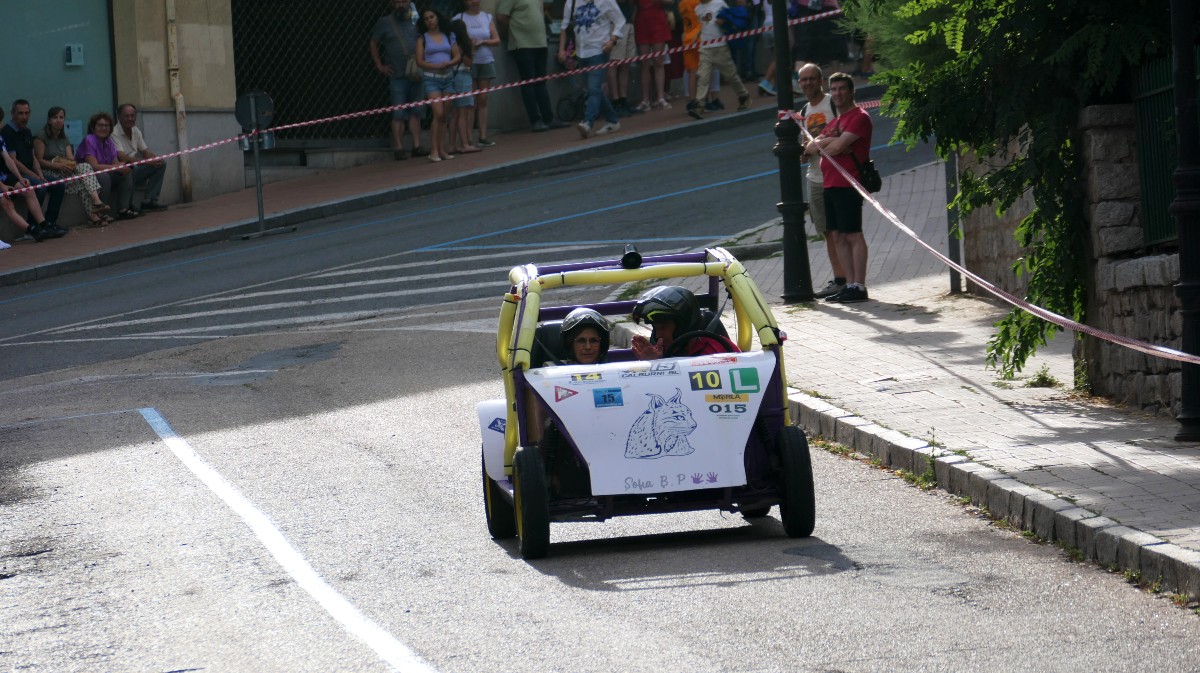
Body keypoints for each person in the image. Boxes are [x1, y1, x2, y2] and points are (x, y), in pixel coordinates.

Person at [803, 72, 873, 303]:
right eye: (833, 90)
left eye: (842, 89)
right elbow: (811, 147)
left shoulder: (859, 117)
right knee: (837, 235)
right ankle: (848, 284)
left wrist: (827, 143)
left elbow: (833, 148)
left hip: (848, 182)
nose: (837, 93)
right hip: (830, 183)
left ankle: (859, 285)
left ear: (852, 91)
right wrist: (829, 142)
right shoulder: (836, 122)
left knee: (853, 234)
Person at [795, 63, 846, 298]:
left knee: (842, 230)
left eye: (811, 79)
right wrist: (804, 152)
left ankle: (847, 279)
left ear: (820, 80)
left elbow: (844, 133)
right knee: (827, 230)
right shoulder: (804, 110)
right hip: (814, 177)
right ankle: (839, 278)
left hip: (836, 175)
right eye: (803, 80)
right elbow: (804, 146)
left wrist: (819, 144)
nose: (807, 83)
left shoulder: (832, 104)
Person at [34, 106, 113, 227]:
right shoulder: (41, 136)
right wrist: (58, 166)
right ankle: (94, 211)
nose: (59, 120)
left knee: (84, 168)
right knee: (83, 182)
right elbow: (39, 160)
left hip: (65, 171)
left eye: (61, 117)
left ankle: (95, 205)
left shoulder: (63, 137)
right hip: (48, 172)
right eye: (55, 117)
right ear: (49, 120)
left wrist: (70, 164)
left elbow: (71, 158)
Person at [371, 0, 430, 160]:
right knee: (398, 113)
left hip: (417, 73)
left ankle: (416, 146)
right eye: (397, 2)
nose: (400, 5)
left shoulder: (416, 19)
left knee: (416, 112)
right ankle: (398, 148)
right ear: (391, 4)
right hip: (397, 75)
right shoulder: (385, 22)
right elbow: (373, 42)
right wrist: (380, 66)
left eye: (403, 1)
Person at [497, 0, 567, 132]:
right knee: (528, 82)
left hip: (540, 42)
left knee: (541, 82)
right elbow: (501, 17)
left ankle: (548, 118)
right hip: (522, 44)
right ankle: (535, 120)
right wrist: (511, 34)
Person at [558, 0, 625, 139]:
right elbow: (564, 27)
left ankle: (588, 122)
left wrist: (612, 41)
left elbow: (620, 20)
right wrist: (561, 50)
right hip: (581, 52)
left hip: (599, 50)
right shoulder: (571, 2)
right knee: (594, 90)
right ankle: (612, 120)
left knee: (594, 88)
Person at [1, 100, 66, 230]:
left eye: (27, 113)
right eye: (20, 113)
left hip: (31, 172)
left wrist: (40, 174)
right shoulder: (7, 132)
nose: (24, 117)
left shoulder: (27, 131)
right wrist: (34, 175)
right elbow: (13, 160)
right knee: (40, 188)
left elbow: (33, 157)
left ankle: (50, 223)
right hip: (17, 173)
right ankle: (33, 225)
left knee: (59, 184)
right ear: (13, 114)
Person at [630, 286, 738, 359]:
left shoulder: (717, 349)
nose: (657, 335)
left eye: (663, 327)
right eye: (656, 328)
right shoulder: (657, 355)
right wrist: (653, 365)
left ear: (682, 325)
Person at [685, 0, 749, 119]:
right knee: (703, 76)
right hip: (705, 48)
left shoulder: (719, 4)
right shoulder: (697, 9)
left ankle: (743, 95)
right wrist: (697, 37)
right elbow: (703, 25)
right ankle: (699, 105)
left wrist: (724, 21)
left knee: (731, 75)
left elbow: (730, 16)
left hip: (720, 47)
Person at [416, 8, 462, 162]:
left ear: (437, 17)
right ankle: (433, 150)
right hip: (431, 79)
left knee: (445, 116)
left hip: (448, 77)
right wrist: (435, 66)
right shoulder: (422, 38)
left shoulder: (449, 35)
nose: (430, 20)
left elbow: (457, 55)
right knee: (439, 113)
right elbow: (419, 61)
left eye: (432, 17)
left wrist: (449, 62)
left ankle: (442, 149)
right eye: (426, 19)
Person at [454, 0, 501, 146]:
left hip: (485, 60)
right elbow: (453, 41)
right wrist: (468, 45)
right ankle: (468, 138)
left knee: (483, 99)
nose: (474, 2)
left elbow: (497, 40)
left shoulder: (487, 17)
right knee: (470, 101)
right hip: (469, 62)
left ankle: (482, 136)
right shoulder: (458, 18)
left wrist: (483, 42)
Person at [1, 130, 60, 242]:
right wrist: (2, 186)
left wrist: (20, 178)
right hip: (1, 181)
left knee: (29, 190)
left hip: (3, 176)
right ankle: (31, 230)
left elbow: (8, 159)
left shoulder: (0, 138)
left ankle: (43, 225)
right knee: (6, 202)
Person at [76, 112, 136, 218]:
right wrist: (115, 167)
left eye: (106, 125)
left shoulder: (109, 142)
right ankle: (101, 212)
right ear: (93, 127)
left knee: (126, 174)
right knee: (104, 176)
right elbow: (93, 166)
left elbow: (114, 161)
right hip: (88, 178)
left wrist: (123, 166)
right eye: (100, 125)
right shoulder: (89, 140)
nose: (103, 128)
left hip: (106, 174)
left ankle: (123, 210)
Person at [113, 104, 168, 214]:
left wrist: (153, 158)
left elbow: (144, 152)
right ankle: (129, 205)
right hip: (121, 172)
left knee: (161, 163)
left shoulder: (135, 130)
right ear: (119, 117)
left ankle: (149, 200)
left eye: (132, 115)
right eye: (126, 116)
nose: (130, 119)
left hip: (136, 167)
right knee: (133, 168)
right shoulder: (114, 133)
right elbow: (121, 157)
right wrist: (146, 161)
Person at [447, 20, 482, 155]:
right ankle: (464, 144)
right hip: (463, 75)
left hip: (452, 75)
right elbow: (468, 62)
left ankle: (451, 145)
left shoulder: (451, 44)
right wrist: (471, 48)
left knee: (455, 113)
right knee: (463, 112)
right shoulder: (463, 45)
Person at [633, 0, 674, 111]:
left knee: (658, 62)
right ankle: (645, 100)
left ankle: (660, 98)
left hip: (658, 19)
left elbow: (671, 1)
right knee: (644, 63)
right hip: (642, 20)